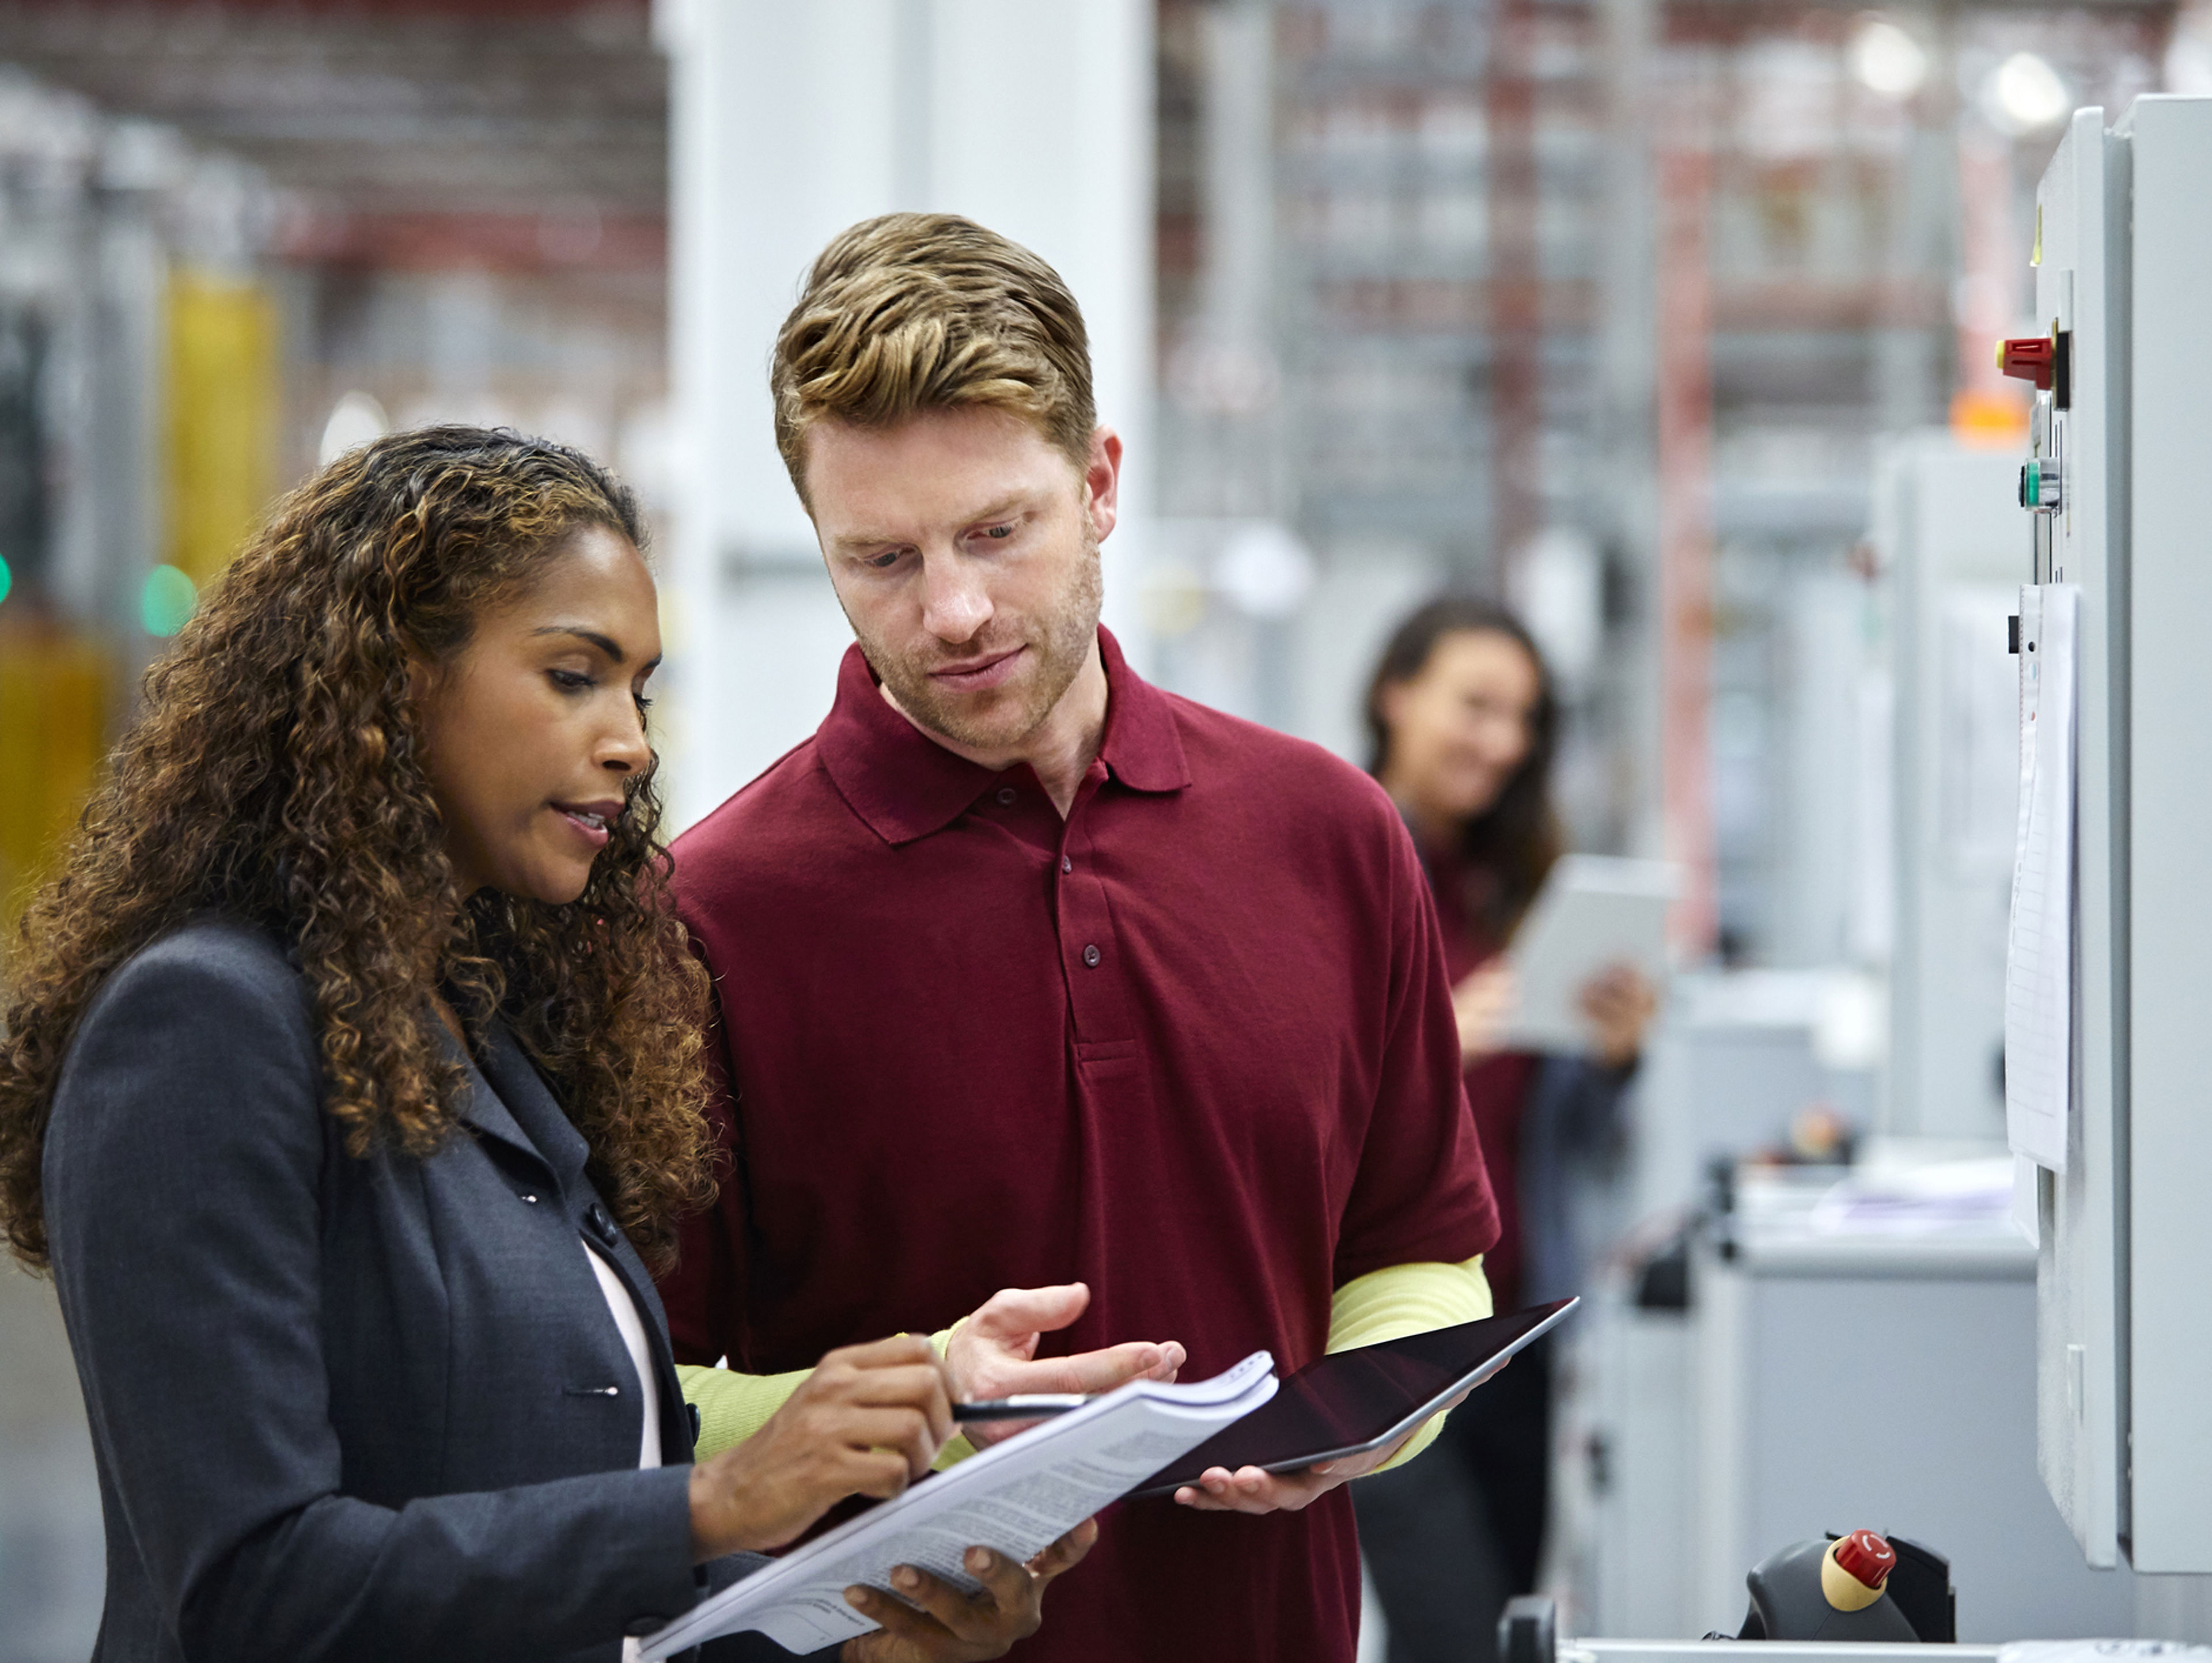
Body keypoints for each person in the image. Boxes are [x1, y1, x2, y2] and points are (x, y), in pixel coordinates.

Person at [0, 428, 1093, 1663]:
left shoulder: (488, 1038)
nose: (631, 738)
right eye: (574, 676)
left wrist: (856, 1644)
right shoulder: (205, 1028)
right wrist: (713, 1503)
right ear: (393, 681)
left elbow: (580, 1559)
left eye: (638, 687)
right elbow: (254, 1587)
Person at [658, 213, 1503, 1663]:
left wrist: (1358, 1421)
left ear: (1100, 483)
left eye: (999, 531)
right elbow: (635, 1394)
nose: (955, 611)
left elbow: (1420, 1252)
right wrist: (921, 1402)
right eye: (882, 558)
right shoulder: (712, 913)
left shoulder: (1332, 837)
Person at [1351, 595, 1657, 1663]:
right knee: (1452, 1636)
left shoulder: (1509, 882)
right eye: (1475, 706)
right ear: (1397, 694)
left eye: (1521, 718)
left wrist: (1613, 1053)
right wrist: (1440, 1040)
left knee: (1510, 1631)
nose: (1501, 741)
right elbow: (1294, 1088)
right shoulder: (1340, 856)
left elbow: (1561, 1127)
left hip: (1515, 1327)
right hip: (1390, 1331)